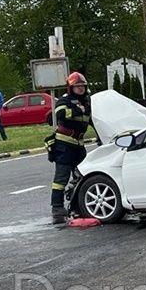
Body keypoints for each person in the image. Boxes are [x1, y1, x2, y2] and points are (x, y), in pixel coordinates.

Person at [50, 72, 93, 221]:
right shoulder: (65, 100)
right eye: (77, 86)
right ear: (71, 88)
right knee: (61, 177)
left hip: (79, 145)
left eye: (82, 86)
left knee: (83, 174)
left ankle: (79, 204)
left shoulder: (87, 102)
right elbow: (60, 113)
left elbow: (93, 120)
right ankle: (57, 207)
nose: (80, 88)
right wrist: (77, 110)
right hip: (64, 144)